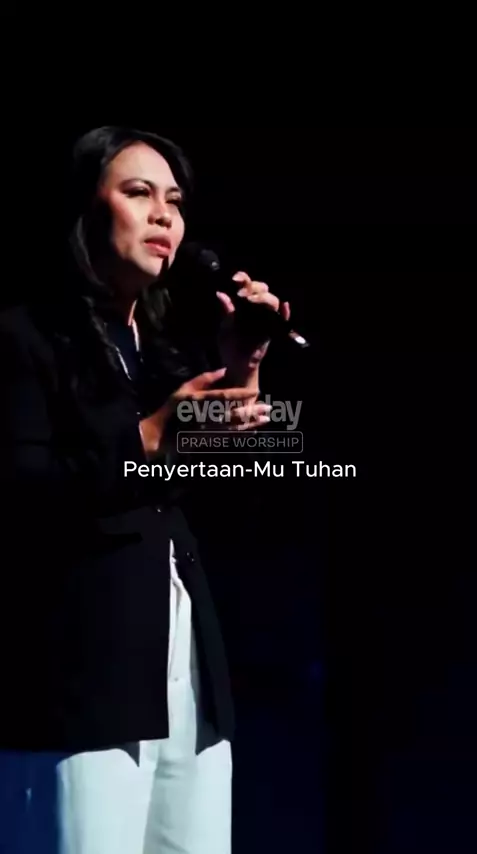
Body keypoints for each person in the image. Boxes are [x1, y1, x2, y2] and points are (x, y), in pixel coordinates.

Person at [0, 126, 290, 854]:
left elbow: (237, 514)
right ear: (83, 210)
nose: (164, 215)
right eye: (138, 193)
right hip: (79, 678)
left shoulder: (162, 359)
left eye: (175, 201)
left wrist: (242, 377)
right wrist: (147, 438)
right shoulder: (23, 338)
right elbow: (19, 497)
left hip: (185, 677)